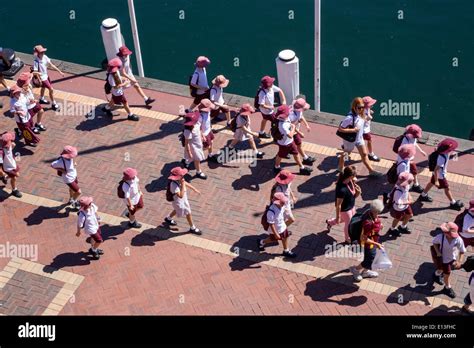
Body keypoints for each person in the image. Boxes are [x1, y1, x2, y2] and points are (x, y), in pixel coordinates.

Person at [337, 97, 382, 177]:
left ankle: (371, 171)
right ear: (354, 107)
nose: (361, 109)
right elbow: (340, 129)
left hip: (359, 138)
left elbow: (361, 122)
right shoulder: (349, 118)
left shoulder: (361, 114)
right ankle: (341, 167)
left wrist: (366, 119)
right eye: (359, 107)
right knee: (346, 154)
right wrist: (353, 130)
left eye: (362, 107)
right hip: (350, 140)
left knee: (364, 154)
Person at [419, 138, 464, 210]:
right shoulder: (442, 158)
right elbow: (436, 169)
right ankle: (453, 203)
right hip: (440, 176)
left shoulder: (440, 151)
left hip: (436, 174)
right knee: (447, 188)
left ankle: (423, 195)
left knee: (431, 183)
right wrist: (437, 181)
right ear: (447, 150)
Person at [350, 199, 385, 281]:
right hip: (369, 244)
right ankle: (355, 269)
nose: (379, 214)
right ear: (375, 211)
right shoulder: (368, 224)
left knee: (372, 257)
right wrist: (377, 244)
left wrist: (379, 225)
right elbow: (364, 238)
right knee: (369, 259)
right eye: (378, 212)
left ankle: (365, 271)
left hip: (374, 241)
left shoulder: (369, 212)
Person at [273, 105, 312, 175]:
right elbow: (290, 135)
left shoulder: (285, 119)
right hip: (284, 144)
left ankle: (302, 168)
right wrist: (294, 127)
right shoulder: (282, 125)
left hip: (290, 142)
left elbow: (290, 126)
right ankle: (276, 167)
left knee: (296, 154)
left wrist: (297, 127)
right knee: (280, 155)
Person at [326, 165, 361, 243]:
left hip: (351, 206)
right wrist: (337, 216)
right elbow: (338, 205)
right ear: (350, 176)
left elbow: (354, 194)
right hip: (345, 210)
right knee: (348, 224)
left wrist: (358, 192)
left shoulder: (351, 181)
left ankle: (330, 222)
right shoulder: (341, 189)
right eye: (354, 175)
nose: (356, 177)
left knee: (344, 220)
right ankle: (347, 239)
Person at [431, 222, 466, 298]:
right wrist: (438, 252)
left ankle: (436, 275)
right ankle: (447, 288)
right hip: (442, 259)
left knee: (441, 270)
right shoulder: (440, 237)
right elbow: (434, 243)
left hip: (451, 259)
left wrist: (459, 261)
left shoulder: (458, 240)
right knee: (447, 273)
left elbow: (462, 251)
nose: (450, 236)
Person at [258, 192, 297, 258]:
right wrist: (275, 233)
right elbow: (271, 224)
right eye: (282, 202)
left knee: (285, 237)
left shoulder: (281, 206)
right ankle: (261, 242)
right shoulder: (271, 211)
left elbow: (283, 212)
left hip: (282, 226)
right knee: (272, 239)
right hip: (276, 229)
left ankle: (286, 251)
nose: (284, 203)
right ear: (277, 203)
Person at [164, 167, 202, 235]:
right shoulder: (173, 185)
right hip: (178, 201)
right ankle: (192, 228)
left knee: (177, 210)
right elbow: (180, 195)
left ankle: (168, 218)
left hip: (183, 200)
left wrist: (194, 189)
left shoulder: (180, 179)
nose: (183, 176)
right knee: (188, 212)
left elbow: (185, 182)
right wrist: (183, 185)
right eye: (181, 175)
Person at [32, 45, 64, 111]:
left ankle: (41, 99)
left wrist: (60, 72)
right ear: (38, 53)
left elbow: (51, 65)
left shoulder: (45, 57)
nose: (43, 53)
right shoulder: (36, 61)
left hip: (46, 76)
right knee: (51, 89)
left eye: (43, 52)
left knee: (43, 88)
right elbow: (34, 72)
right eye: (41, 52)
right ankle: (54, 104)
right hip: (42, 78)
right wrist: (39, 77)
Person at [289, 98, 316, 166]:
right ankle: (305, 159)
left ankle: (305, 157)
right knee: (299, 144)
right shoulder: (292, 115)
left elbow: (301, 117)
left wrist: (307, 125)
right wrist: (299, 132)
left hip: (295, 130)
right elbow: (291, 126)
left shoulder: (297, 110)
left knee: (296, 145)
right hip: (293, 132)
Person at [76, 196, 104, 260]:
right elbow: (79, 224)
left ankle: (93, 248)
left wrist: (98, 219)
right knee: (99, 240)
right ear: (86, 206)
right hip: (90, 229)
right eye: (89, 203)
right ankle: (93, 250)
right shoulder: (82, 214)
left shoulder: (92, 206)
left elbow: (95, 212)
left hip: (96, 225)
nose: (91, 203)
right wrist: (78, 232)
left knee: (93, 238)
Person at [400, 124, 426, 193]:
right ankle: (415, 185)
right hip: (407, 160)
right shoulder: (405, 141)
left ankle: (415, 185)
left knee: (412, 172)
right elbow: (402, 151)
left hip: (410, 158)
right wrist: (408, 159)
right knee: (413, 171)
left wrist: (421, 151)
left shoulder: (412, 138)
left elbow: (415, 143)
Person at [182, 111, 207, 179]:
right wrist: (189, 152)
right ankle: (199, 172)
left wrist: (202, 136)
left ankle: (186, 162)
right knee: (197, 159)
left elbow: (200, 129)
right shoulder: (187, 131)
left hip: (198, 144)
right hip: (193, 147)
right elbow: (187, 143)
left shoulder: (197, 123)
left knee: (192, 158)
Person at [0, 132, 22, 198]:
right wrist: (3, 174)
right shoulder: (0, 153)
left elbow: (10, 151)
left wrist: (12, 146)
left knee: (16, 175)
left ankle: (4, 178)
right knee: (15, 177)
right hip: (7, 168)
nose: (12, 141)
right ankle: (14, 190)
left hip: (12, 164)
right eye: (10, 140)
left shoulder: (9, 145)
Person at [362, 96, 380, 162]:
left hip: (365, 129)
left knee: (350, 146)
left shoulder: (366, 108)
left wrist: (369, 111)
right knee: (369, 141)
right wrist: (367, 118)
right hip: (364, 130)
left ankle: (346, 145)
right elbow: (359, 121)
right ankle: (371, 155)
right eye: (371, 104)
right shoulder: (362, 111)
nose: (372, 104)